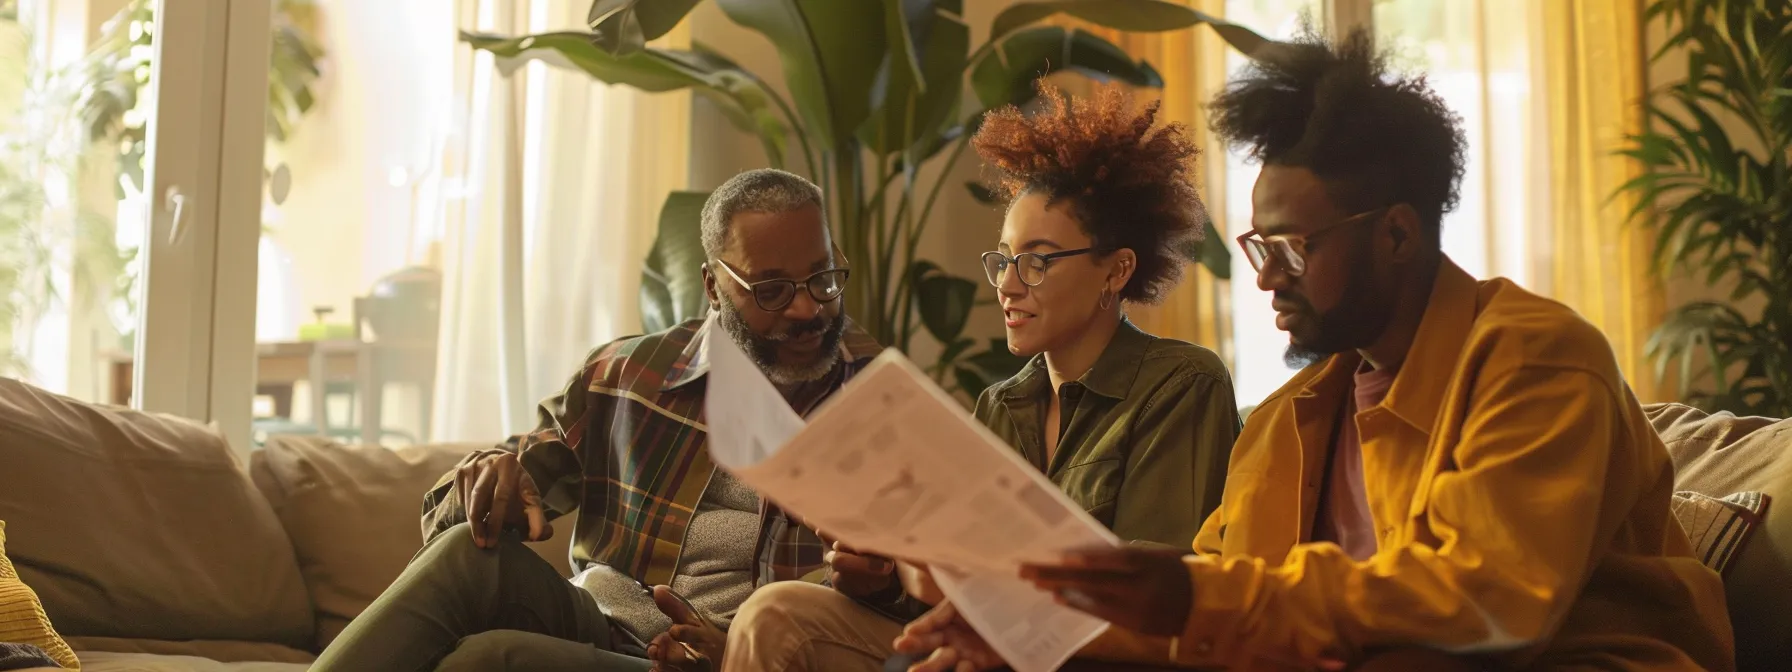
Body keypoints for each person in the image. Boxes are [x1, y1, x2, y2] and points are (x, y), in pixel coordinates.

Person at [893, 27, 1737, 672]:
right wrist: (1027, 633)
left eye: (1294, 248)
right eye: (1260, 247)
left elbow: (1487, 600)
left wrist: (1192, 593)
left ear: (1397, 236)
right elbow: (1213, 610)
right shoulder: (1294, 417)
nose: (1267, 279)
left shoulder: (1537, 360)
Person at [722, 81, 1242, 671]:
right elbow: (953, 587)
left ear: (1117, 271)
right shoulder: (1002, 405)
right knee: (776, 615)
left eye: (1037, 261)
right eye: (1003, 259)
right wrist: (883, 577)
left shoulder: (1180, 384)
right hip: (985, 649)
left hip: (1095, 659)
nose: (1008, 284)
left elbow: (1158, 602)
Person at [310, 168, 880, 672]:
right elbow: (489, 493)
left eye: (823, 279)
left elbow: (906, 603)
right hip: (597, 620)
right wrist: (488, 482)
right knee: (466, 555)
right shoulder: (629, 375)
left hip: (724, 658)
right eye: (773, 290)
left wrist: (734, 647)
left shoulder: (880, 402)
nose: (809, 309)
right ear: (713, 285)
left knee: (486, 661)